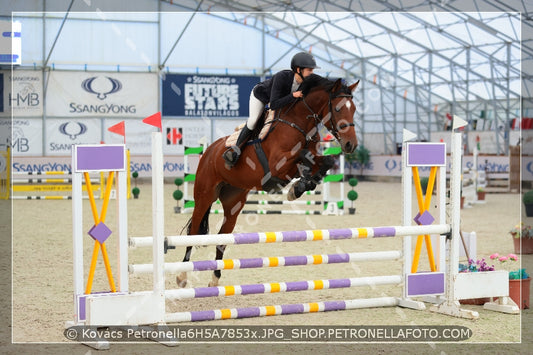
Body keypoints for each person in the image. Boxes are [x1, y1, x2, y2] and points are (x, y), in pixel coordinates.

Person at [222, 51, 320, 167]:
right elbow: (273, 104)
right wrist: (292, 96)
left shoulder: (306, 84)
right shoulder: (282, 77)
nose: (312, 73)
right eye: (310, 70)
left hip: (282, 102)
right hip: (261, 97)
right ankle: (235, 152)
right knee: (254, 121)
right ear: (299, 70)